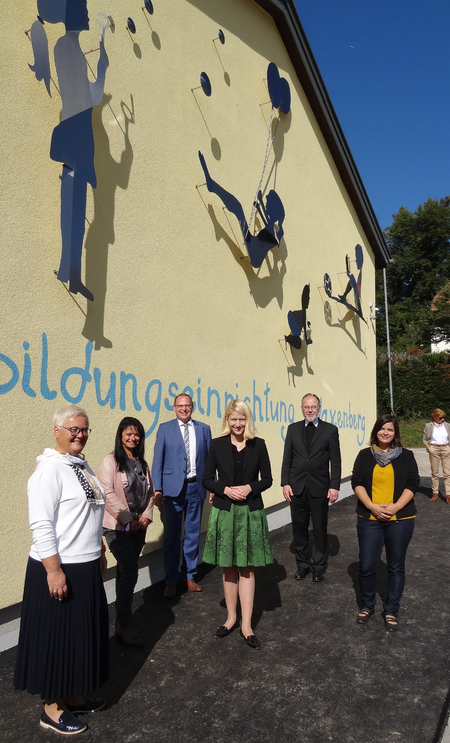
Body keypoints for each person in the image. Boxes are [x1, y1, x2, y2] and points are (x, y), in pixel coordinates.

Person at [14, 405, 108, 736]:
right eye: (73, 429)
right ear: (57, 431)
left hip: (85, 565)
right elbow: (41, 524)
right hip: (60, 566)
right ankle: (53, 709)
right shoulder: (49, 470)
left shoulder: (80, 465)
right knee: (58, 640)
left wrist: (100, 549)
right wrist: (53, 571)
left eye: (84, 430)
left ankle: (74, 696)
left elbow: (90, 514)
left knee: (79, 636)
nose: (79, 435)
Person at [202, 400, 273, 649]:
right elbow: (207, 479)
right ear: (227, 420)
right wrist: (225, 490)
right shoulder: (217, 445)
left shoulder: (258, 444)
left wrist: (249, 487)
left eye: (242, 419)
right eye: (234, 419)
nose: (238, 424)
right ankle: (231, 618)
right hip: (225, 511)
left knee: (247, 569)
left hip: (250, 512)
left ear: (247, 420)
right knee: (229, 567)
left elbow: (267, 479)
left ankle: (247, 625)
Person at [352, 414, 420, 632]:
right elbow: (357, 482)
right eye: (382, 429)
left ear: (395, 433)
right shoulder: (365, 455)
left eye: (390, 429)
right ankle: (367, 606)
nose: (385, 432)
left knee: (396, 566)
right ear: (376, 431)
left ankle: (391, 610)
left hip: (400, 520)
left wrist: (395, 507)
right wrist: (371, 506)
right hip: (369, 519)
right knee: (366, 565)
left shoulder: (406, 456)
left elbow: (413, 483)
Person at [97, 417, 154, 646]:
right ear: (120, 435)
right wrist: (128, 519)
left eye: (137, 434)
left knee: (124, 571)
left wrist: (146, 516)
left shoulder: (142, 463)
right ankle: (125, 623)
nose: (133, 438)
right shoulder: (110, 461)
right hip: (117, 526)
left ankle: (121, 622)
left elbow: (149, 493)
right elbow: (107, 493)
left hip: (138, 527)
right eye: (128, 433)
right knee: (130, 572)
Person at [151, 394, 212, 598]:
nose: (184, 409)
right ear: (174, 407)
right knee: (171, 536)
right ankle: (171, 580)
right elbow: (158, 460)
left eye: (187, 406)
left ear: (192, 407)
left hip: (196, 487)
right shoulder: (165, 429)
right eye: (180, 405)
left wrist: (212, 486)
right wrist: (157, 489)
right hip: (172, 490)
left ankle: (189, 576)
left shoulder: (204, 429)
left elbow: (210, 461)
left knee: (192, 534)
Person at [281, 393, 341, 583]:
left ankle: (318, 566)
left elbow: (336, 461)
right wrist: (285, 483)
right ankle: (302, 565)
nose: (310, 410)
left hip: (320, 487)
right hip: (296, 487)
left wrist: (334, 486)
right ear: (302, 408)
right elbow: (287, 459)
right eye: (306, 407)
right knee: (299, 528)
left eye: (313, 406)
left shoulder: (330, 430)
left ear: (319, 408)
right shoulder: (293, 429)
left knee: (320, 528)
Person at [423, 408, 450, 503]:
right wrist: (429, 449)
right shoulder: (428, 426)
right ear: (435, 417)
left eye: (443, 417)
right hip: (434, 448)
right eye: (440, 418)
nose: (443, 419)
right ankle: (435, 493)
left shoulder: (447, 425)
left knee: (447, 473)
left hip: (446, 448)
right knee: (435, 472)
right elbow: (424, 439)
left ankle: (448, 494)